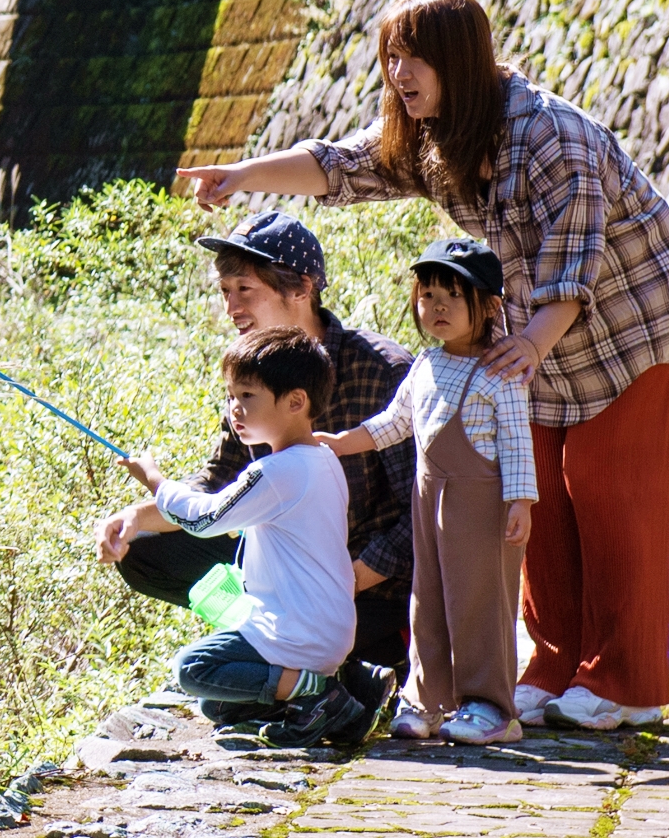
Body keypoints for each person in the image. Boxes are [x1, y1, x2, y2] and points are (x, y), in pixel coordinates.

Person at [185, 0, 669, 732]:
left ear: (457, 59)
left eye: (413, 56)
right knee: (535, 502)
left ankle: (625, 680)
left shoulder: (552, 135)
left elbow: (574, 264)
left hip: (624, 324)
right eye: (389, 56)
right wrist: (242, 175)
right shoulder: (432, 136)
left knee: (604, 486)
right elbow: (340, 165)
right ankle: (554, 663)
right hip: (529, 337)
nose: (398, 72)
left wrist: (527, 341)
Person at [90, 210, 416, 685]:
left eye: (245, 290)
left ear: (302, 288)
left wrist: (347, 579)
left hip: (368, 592)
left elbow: (422, 509)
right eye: (225, 292)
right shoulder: (250, 377)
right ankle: (274, 652)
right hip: (285, 582)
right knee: (144, 551)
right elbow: (217, 487)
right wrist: (136, 515)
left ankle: (327, 665)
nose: (232, 308)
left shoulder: (382, 369)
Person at [320, 236, 535, 746]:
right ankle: (429, 700)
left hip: (483, 507)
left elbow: (518, 442)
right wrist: (339, 443)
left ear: (486, 306)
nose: (437, 308)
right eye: (427, 296)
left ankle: (492, 708)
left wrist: (522, 501)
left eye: (452, 297)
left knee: (479, 602)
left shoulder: (500, 372)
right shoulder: (424, 365)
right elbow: (394, 424)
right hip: (429, 503)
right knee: (428, 599)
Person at [118, 327, 369, 747]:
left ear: (295, 402)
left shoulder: (275, 472)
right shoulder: (323, 460)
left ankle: (323, 696)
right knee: (217, 705)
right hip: (327, 629)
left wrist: (156, 480)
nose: (235, 409)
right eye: (231, 396)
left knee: (193, 671)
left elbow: (204, 519)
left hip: (296, 630)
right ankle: (322, 698)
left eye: (247, 397)